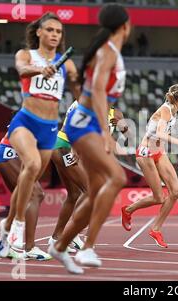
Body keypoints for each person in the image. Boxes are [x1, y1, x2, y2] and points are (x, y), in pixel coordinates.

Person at [49, 3, 131, 274]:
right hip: (84, 123)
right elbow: (96, 91)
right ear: (125, 26)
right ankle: (87, 248)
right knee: (117, 178)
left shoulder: (110, 52)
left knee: (94, 193)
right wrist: (107, 135)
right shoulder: (108, 52)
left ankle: (59, 247)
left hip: (87, 123)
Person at [6, 12, 79, 250]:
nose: (54, 35)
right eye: (49, 30)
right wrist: (40, 70)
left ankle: (6, 226)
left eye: (58, 32)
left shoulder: (66, 62)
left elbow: (79, 90)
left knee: (31, 176)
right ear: (38, 32)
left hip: (50, 128)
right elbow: (22, 69)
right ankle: (17, 224)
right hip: (26, 121)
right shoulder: (26, 54)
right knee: (33, 165)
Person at [120, 84, 178, 248]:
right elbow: (159, 133)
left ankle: (156, 229)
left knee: (176, 192)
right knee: (159, 198)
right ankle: (128, 210)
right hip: (146, 153)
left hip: (159, 152)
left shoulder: (175, 109)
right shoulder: (166, 110)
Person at [0, 132, 51, 260]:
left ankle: (5, 244)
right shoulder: (35, 116)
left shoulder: (47, 119)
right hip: (10, 153)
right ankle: (30, 248)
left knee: (25, 196)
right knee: (35, 194)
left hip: (10, 154)